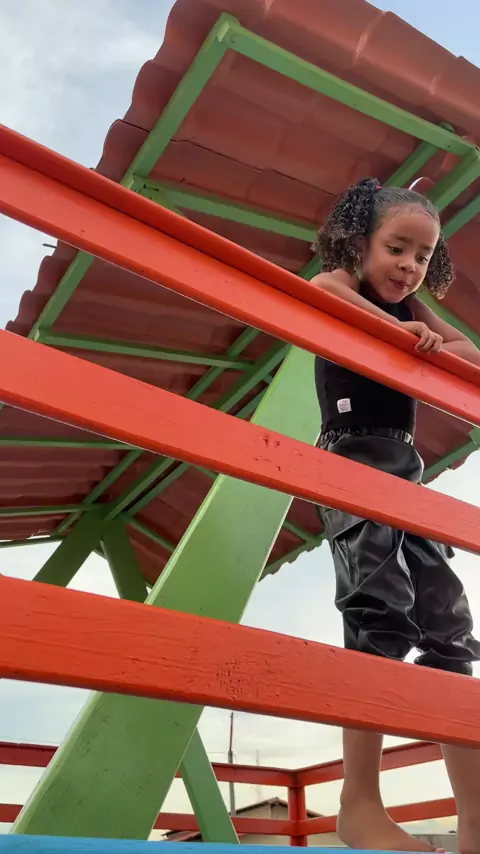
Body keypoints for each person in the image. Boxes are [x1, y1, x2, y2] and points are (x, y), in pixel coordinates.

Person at [312, 177, 480, 854]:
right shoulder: (342, 284)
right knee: (378, 612)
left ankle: (475, 818)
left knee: (449, 628)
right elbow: (322, 291)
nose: (408, 265)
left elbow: (469, 354)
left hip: (405, 470)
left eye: (422, 254)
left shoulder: (410, 307)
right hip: (349, 457)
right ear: (359, 244)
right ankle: (358, 806)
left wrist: (424, 337)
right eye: (396, 248)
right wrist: (401, 332)